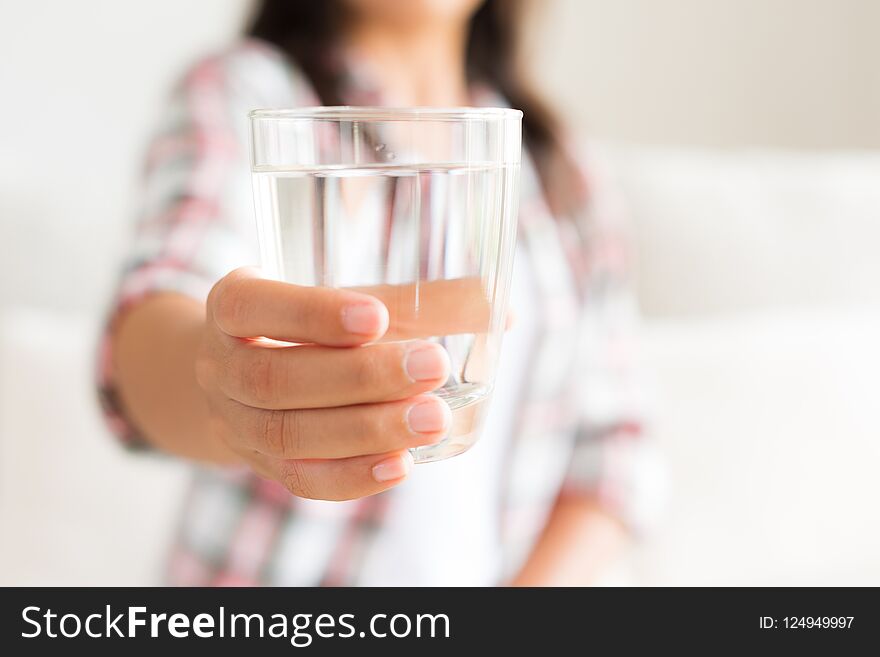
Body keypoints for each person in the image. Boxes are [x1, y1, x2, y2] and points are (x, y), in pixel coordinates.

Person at [98, 0, 659, 586]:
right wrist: (226, 390)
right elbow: (163, 299)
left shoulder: (557, 165)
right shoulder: (250, 95)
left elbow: (616, 451)